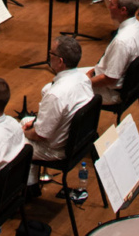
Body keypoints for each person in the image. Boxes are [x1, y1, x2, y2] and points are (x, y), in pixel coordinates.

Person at [25, 35, 95, 195]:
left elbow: (40, 135)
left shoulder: (56, 94)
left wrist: (23, 131)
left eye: (51, 54)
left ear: (60, 61)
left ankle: (24, 193)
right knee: (26, 120)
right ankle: (31, 184)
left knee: (11, 140)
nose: (49, 56)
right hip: (77, 142)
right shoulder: (84, 79)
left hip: (55, 150)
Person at [90, 0, 139, 96]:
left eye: (112, 4)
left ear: (123, 10)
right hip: (128, 84)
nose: (108, 7)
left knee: (61, 90)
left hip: (111, 92)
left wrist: (85, 83)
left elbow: (110, 79)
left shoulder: (121, 42)